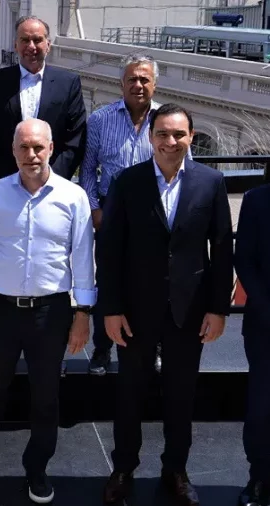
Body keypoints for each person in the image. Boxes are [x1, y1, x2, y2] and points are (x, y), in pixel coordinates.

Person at [99, 104, 233, 506]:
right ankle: (123, 469)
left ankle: (176, 470)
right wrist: (111, 308)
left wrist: (218, 309)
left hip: (189, 311)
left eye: (178, 134)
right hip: (135, 310)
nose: (170, 142)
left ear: (191, 137)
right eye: (162, 134)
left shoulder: (211, 182)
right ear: (150, 137)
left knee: (181, 396)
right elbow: (110, 250)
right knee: (129, 394)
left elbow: (221, 249)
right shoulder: (127, 181)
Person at [0, 119, 95, 504]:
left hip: (51, 313)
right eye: (24, 147)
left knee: (46, 397)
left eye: (38, 147)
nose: (31, 155)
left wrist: (83, 314)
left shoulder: (73, 197)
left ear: (51, 148)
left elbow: (83, 257)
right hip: (1, 310)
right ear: (13, 150)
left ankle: (37, 468)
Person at [79, 54, 164, 376]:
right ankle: (102, 349)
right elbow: (87, 169)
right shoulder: (100, 120)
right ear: (121, 83)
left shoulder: (166, 120)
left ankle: (154, 347)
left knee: (153, 283)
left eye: (144, 79)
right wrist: (95, 209)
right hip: (111, 211)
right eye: (132, 79)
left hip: (154, 213)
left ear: (154, 84)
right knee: (108, 281)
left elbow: (182, 167)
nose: (138, 85)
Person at [0, 15, 86, 183]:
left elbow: (75, 139)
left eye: (37, 40)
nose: (31, 46)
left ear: (48, 45)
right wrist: (6, 181)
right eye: (25, 40)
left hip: (52, 184)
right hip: (5, 183)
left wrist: (51, 179)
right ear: (15, 45)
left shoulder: (68, 84)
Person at [235, 183, 270, 506]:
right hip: (264, 324)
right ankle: (259, 477)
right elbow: (244, 260)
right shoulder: (256, 200)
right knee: (261, 408)